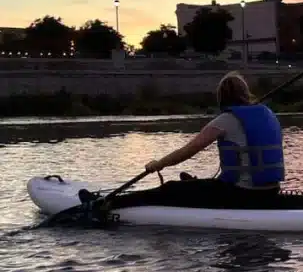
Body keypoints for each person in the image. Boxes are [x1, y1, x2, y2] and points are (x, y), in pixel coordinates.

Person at [109, 71, 285, 210]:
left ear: (221, 97)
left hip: (242, 194)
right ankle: (191, 185)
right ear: (246, 94)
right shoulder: (268, 114)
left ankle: (112, 204)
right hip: (271, 190)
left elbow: (189, 150)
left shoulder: (226, 120)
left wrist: (159, 164)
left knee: (170, 188)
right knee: (192, 184)